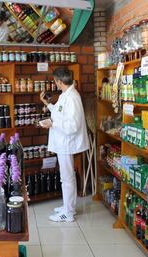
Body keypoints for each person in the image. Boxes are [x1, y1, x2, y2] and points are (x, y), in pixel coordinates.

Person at [39, 67, 89, 222]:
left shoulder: (72, 97)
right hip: (63, 142)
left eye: (55, 81)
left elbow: (72, 125)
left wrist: (52, 124)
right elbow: (60, 114)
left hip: (67, 143)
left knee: (67, 178)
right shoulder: (65, 95)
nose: (55, 84)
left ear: (60, 81)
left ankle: (68, 213)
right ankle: (68, 206)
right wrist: (48, 105)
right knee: (66, 177)